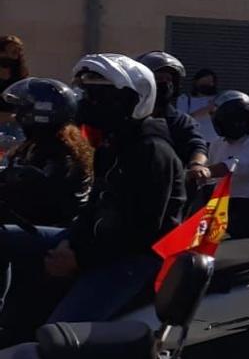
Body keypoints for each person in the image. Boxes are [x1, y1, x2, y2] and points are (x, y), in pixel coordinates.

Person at [0, 55, 185, 343]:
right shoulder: (114, 144)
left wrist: (78, 258)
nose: (88, 102)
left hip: (131, 260)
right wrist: (69, 241)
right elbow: (94, 209)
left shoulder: (151, 151)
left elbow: (140, 232)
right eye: (87, 92)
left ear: (127, 100)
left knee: (56, 340)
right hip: (96, 244)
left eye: (98, 95)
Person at [0, 78, 91, 227]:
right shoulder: (36, 145)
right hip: (32, 222)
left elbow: (48, 204)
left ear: (42, 111)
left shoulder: (60, 153)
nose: (16, 115)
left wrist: (16, 180)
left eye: (24, 108)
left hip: (53, 228)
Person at [135, 51, 211, 186]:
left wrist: (197, 165)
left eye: (168, 79)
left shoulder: (181, 120)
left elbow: (197, 145)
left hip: (170, 189)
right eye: (158, 78)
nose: (164, 84)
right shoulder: (129, 116)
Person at [209, 91, 249, 227]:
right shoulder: (218, 143)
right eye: (232, 119)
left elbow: (236, 167)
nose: (238, 124)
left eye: (242, 119)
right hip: (223, 205)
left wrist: (206, 171)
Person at [180, 68, 222, 148]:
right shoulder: (185, 99)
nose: (208, 85)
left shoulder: (219, 99)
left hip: (215, 142)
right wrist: (206, 109)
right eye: (204, 82)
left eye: (210, 82)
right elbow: (183, 118)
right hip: (193, 140)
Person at [0, 36, 27, 159]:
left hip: (14, 124)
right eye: (11, 51)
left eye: (17, 51)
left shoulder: (19, 74)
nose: (14, 55)